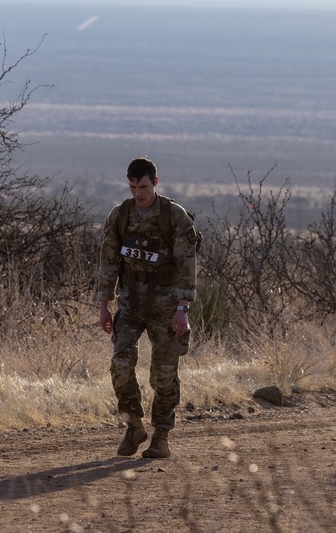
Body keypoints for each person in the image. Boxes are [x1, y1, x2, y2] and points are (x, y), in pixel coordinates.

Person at [96, 157, 198, 459]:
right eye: (132, 186)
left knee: (163, 374)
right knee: (121, 364)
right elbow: (108, 261)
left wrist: (183, 307)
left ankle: (161, 436)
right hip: (131, 303)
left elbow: (187, 264)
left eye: (142, 186)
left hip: (166, 305)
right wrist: (104, 305)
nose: (137, 193)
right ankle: (134, 426)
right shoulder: (120, 216)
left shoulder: (173, 217)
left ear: (155, 182)